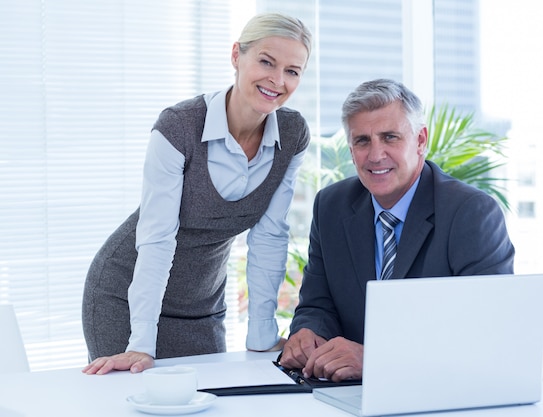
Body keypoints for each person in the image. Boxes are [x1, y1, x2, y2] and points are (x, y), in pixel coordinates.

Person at [82, 12, 313, 375]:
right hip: (126, 297)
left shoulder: (293, 134)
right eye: (266, 61)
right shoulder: (180, 127)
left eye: (292, 71)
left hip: (202, 304)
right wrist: (140, 343)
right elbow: (157, 238)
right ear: (237, 55)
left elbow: (269, 235)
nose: (277, 80)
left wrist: (262, 334)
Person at [279, 78, 515, 382]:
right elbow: (317, 303)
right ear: (351, 149)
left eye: (390, 137)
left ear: (420, 140)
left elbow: (486, 330)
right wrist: (307, 332)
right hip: (346, 394)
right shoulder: (331, 206)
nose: (375, 155)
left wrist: (378, 360)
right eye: (362, 141)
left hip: (441, 392)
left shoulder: (471, 213)